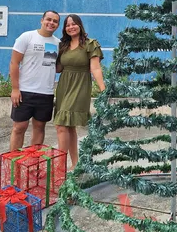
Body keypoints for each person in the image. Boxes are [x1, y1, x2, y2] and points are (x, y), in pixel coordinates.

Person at [54, 14, 105, 170]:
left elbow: (95, 68)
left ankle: (60, 167)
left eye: (74, 24)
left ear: (80, 25)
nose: (71, 27)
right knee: (69, 127)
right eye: (67, 25)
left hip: (80, 85)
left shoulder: (91, 44)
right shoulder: (63, 46)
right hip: (64, 85)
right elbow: (57, 68)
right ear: (64, 29)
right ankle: (75, 164)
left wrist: (103, 89)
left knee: (61, 124)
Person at [9, 10, 60, 150]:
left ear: (58, 25)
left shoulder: (58, 43)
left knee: (39, 128)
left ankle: (34, 164)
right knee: (19, 127)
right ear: (42, 20)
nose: (51, 23)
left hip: (46, 93)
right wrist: (15, 89)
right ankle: (15, 164)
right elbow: (14, 63)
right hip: (25, 91)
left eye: (55, 21)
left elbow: (58, 66)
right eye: (48, 19)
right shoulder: (27, 37)